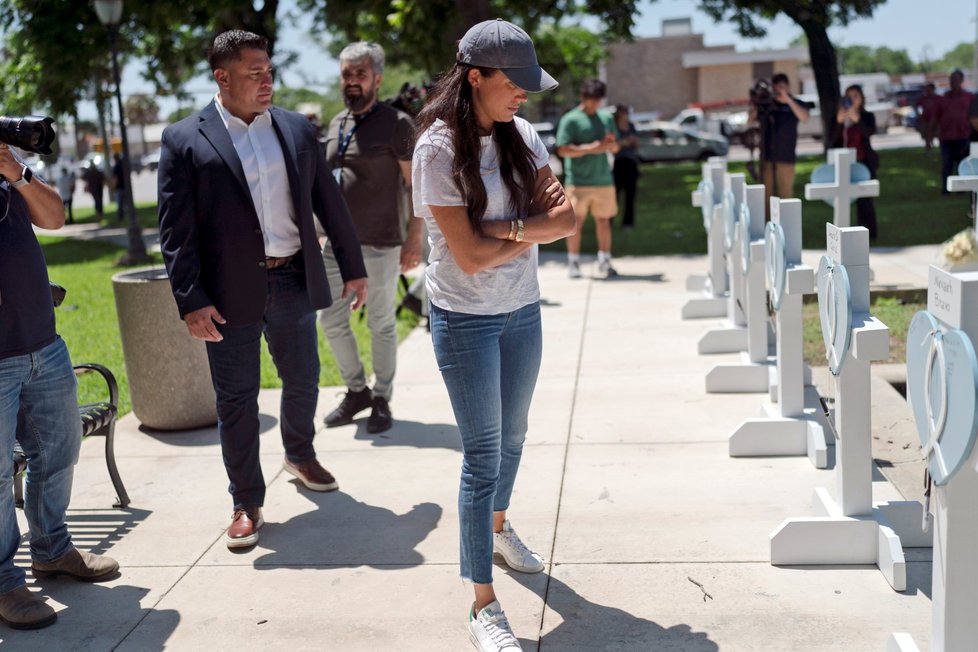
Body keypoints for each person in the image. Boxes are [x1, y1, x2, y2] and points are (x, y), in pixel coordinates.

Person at [157, 30, 368, 551]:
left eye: (269, 71)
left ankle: (299, 453)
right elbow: (175, 230)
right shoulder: (184, 138)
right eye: (254, 74)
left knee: (303, 379)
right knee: (237, 399)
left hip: (294, 276)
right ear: (222, 77)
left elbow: (329, 204)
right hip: (227, 293)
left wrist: (354, 266)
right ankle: (246, 500)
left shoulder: (297, 129)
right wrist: (191, 299)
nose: (266, 81)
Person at [412, 18, 576, 651]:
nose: (525, 96)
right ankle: (482, 604)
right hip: (464, 320)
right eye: (516, 83)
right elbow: (467, 259)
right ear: (475, 77)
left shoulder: (522, 133)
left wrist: (505, 231)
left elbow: (564, 218)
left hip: (522, 310)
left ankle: (499, 528)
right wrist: (525, 229)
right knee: (482, 456)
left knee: (514, 436)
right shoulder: (435, 149)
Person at [0, 143, 119, 631]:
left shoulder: (7, 175)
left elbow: (54, 217)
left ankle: (51, 549)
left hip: (43, 346)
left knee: (60, 448)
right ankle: (4, 581)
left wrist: (17, 172)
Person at [318, 41, 424, 434]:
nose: (352, 81)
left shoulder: (397, 124)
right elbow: (326, 184)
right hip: (334, 244)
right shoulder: (336, 123)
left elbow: (417, 186)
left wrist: (415, 237)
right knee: (330, 319)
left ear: (377, 79)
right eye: (347, 74)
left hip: (381, 242)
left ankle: (382, 398)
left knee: (380, 321)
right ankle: (356, 390)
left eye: (359, 74)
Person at [556, 78, 619, 278]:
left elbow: (616, 147)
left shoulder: (606, 118)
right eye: (592, 99)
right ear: (584, 97)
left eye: (598, 100)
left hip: (603, 180)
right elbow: (563, 150)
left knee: (604, 222)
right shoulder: (571, 120)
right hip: (578, 181)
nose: (595, 104)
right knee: (575, 223)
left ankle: (605, 260)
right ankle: (573, 262)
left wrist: (610, 145)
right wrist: (592, 148)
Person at [752, 72, 810, 211]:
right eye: (777, 87)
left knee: (786, 196)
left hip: (786, 157)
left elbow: (805, 117)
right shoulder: (767, 105)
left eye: (782, 86)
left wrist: (788, 100)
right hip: (767, 157)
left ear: (788, 87)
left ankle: (787, 228)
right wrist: (757, 101)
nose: (779, 90)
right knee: (766, 197)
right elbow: (750, 119)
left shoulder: (796, 103)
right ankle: (767, 226)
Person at [831, 84, 879, 240]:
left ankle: (867, 233)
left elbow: (869, 132)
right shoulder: (838, 117)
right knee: (841, 199)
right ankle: (841, 232)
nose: (851, 99)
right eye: (849, 96)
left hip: (863, 161)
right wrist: (839, 122)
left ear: (861, 99)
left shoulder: (867, 116)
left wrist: (857, 118)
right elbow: (831, 139)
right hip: (842, 164)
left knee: (865, 200)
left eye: (855, 96)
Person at [936, 69, 974, 195]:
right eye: (951, 80)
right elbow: (936, 117)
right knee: (947, 164)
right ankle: (946, 190)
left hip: (963, 136)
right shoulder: (944, 98)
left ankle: (961, 190)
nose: (953, 82)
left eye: (956, 80)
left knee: (962, 164)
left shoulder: (969, 97)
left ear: (961, 81)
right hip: (946, 137)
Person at [612, 104, 640, 231]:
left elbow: (637, 143)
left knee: (630, 195)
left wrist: (627, 142)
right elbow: (614, 146)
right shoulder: (613, 128)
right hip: (618, 163)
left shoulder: (632, 126)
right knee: (614, 195)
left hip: (631, 163)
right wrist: (626, 142)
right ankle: (609, 221)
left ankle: (628, 223)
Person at [915, 82, 940, 151]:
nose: (927, 91)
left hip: (937, 121)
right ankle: (928, 148)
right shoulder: (923, 99)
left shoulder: (938, 98)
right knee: (926, 134)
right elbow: (918, 108)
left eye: (929, 89)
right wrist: (920, 115)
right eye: (926, 89)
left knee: (939, 134)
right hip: (925, 120)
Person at [110, 153, 124, 221]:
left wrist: (113, 187)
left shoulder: (117, 166)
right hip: (124, 187)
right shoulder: (123, 165)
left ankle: (120, 217)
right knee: (123, 204)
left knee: (120, 204)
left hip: (119, 187)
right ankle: (122, 216)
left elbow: (115, 178)